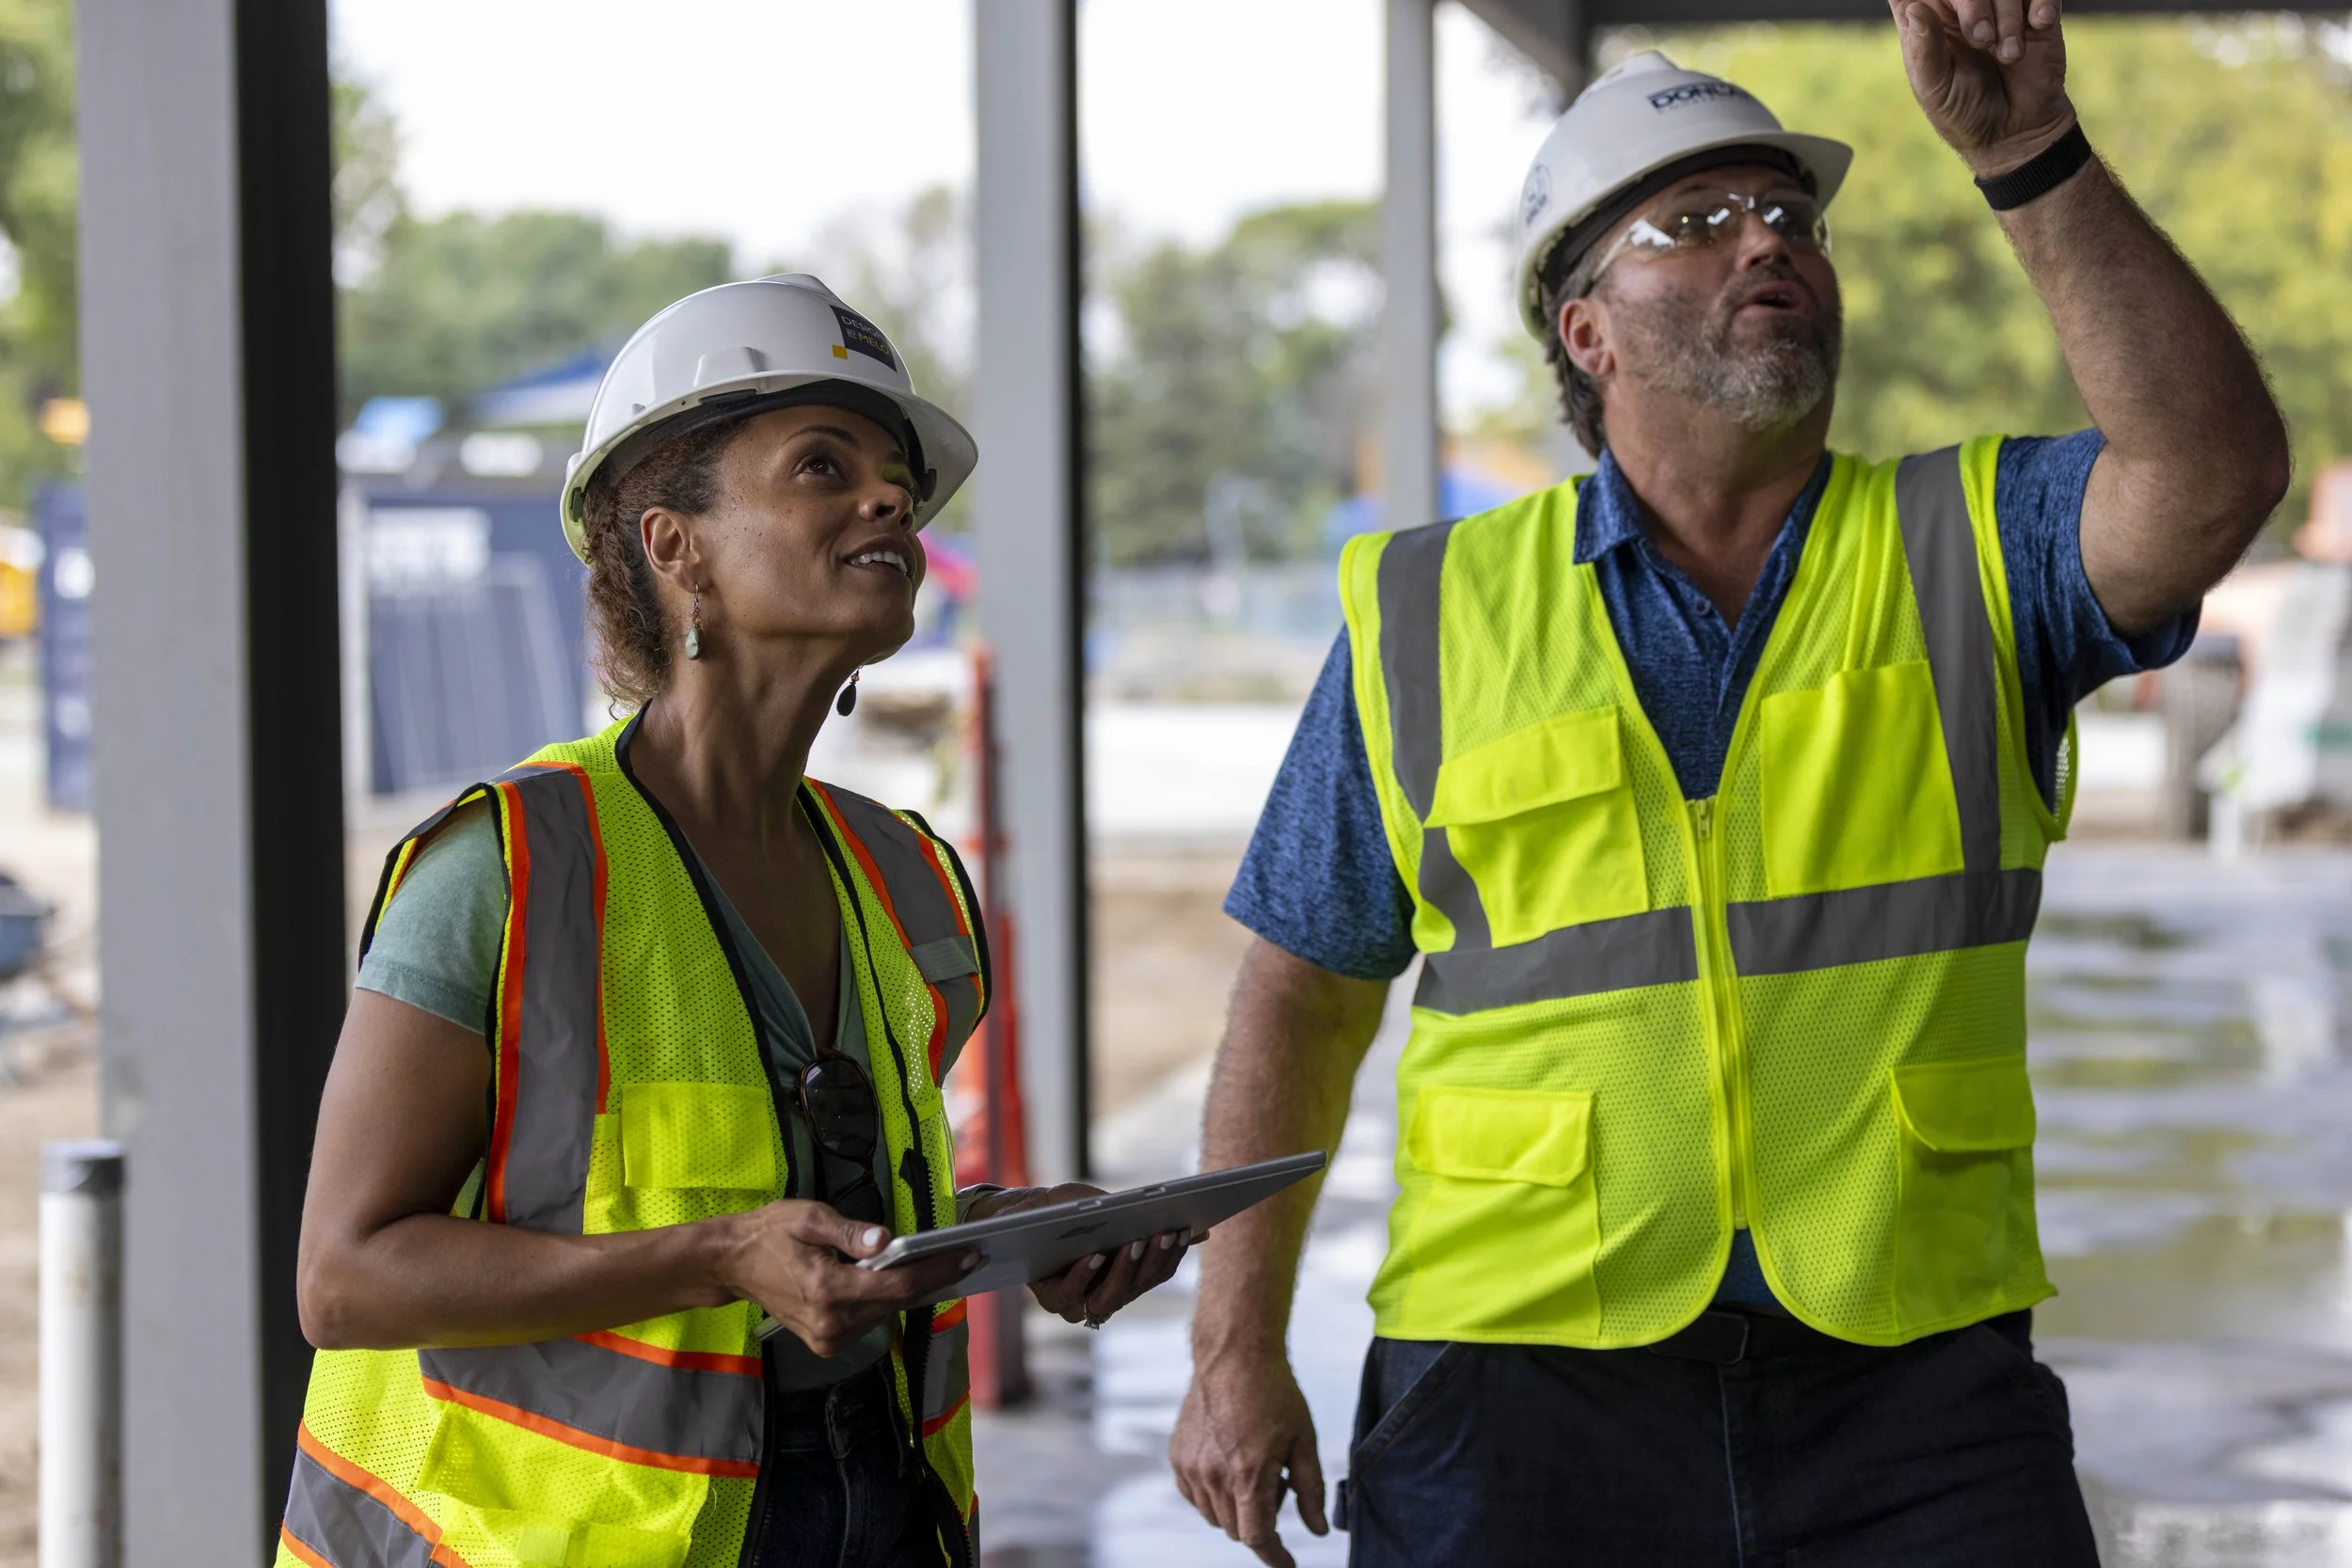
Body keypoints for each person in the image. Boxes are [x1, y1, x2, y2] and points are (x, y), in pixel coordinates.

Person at [1170, 5, 2288, 1565]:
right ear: (1587, 332)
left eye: (1790, 217)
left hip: (1914, 1381)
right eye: (1692, 224)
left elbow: (2210, 473)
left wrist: (2028, 154)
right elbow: (1300, 988)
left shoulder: (1974, 542)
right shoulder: (1425, 609)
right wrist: (1233, 1345)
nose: (1764, 244)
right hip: (1513, 1381)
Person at [279, 274, 1187, 1568]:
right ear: (675, 547)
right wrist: (719, 1255)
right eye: (823, 466)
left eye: (897, 477)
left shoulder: (908, 880)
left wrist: (1005, 1231)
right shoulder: (509, 867)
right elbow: (343, 1278)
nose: (888, 499)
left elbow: (804, 1211)